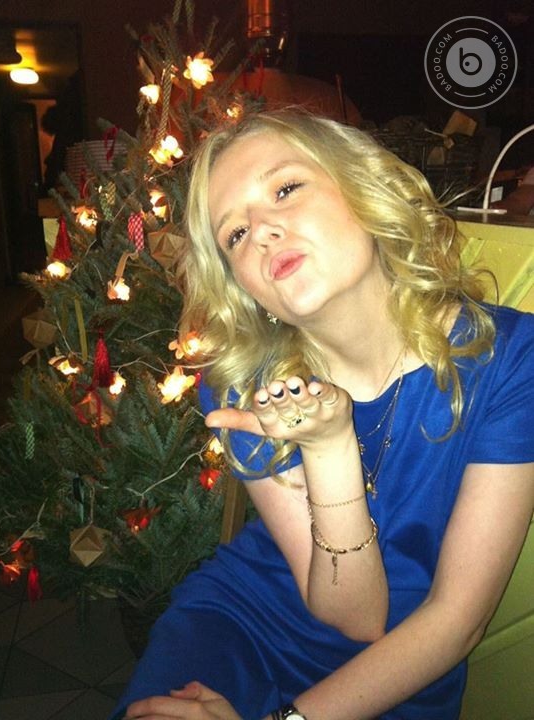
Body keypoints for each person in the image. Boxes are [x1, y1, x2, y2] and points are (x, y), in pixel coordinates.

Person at [114, 109, 534, 720]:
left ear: (364, 191)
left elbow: (455, 620)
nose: (261, 232)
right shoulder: (243, 386)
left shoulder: (510, 360)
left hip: (403, 668)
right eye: (235, 235)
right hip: (240, 630)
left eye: (286, 189)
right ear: (245, 287)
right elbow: (351, 613)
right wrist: (329, 446)